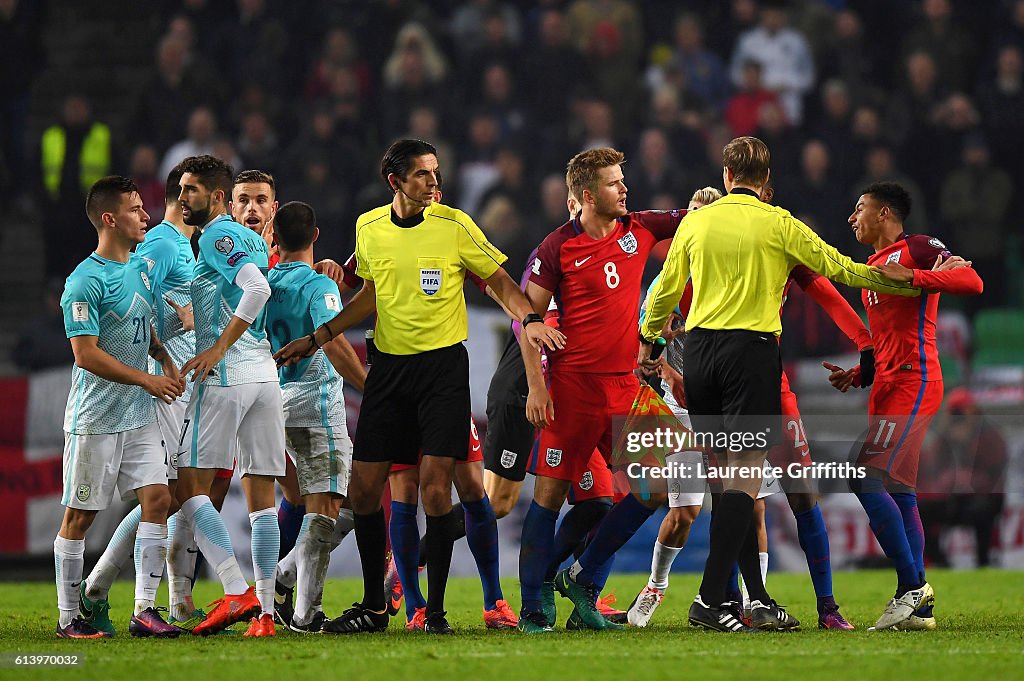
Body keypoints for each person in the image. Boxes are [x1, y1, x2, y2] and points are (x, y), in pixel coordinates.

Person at [275, 139, 564, 635]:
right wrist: (320, 336)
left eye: (435, 173)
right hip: (388, 372)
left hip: (442, 372)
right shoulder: (369, 227)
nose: (434, 182)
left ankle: (433, 612)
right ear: (396, 182)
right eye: (423, 175)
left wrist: (531, 317)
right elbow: (369, 293)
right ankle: (373, 606)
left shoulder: (453, 225)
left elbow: (498, 282)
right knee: (365, 491)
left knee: (436, 489)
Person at [639, 137, 919, 633]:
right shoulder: (780, 222)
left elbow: (662, 291)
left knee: (726, 480)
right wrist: (905, 280)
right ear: (765, 182)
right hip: (750, 354)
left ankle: (744, 601)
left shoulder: (696, 222)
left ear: (727, 176)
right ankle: (710, 598)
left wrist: (648, 343)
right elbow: (841, 269)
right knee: (745, 480)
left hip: (701, 356)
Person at [517, 147, 687, 633]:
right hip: (572, 390)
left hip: (626, 388)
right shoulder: (556, 248)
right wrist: (536, 387)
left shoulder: (643, 228)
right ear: (587, 196)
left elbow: (696, 218)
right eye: (614, 184)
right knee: (547, 499)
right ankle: (533, 607)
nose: (625, 190)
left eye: (623, 181)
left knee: (655, 488)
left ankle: (583, 578)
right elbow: (528, 322)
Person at [824, 181, 983, 631]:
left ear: (886, 213)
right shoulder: (872, 266)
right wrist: (858, 374)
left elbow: (971, 280)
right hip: (887, 385)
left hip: (916, 380)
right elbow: (887, 337)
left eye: (860, 209)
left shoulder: (916, 247)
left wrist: (916, 277)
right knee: (899, 491)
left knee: (864, 474)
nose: (853, 218)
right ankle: (918, 607)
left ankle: (911, 589)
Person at [77, 164, 204, 633]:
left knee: (167, 497)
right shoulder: (159, 244)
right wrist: (159, 364)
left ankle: (155, 606)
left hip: (180, 382)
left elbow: (151, 316)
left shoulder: (180, 246)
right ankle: (97, 588)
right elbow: (131, 319)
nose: (143, 215)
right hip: (151, 391)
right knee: (172, 496)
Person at [55, 175, 183, 639]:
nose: (145, 215)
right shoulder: (83, 281)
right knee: (80, 517)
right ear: (110, 219)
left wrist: (164, 357)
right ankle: (69, 618)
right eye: (135, 209)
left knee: (158, 498)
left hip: (138, 413)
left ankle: (144, 611)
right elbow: (85, 354)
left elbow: (144, 325)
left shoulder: (141, 270)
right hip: (96, 418)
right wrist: (149, 378)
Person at [171, 154, 284, 638]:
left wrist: (216, 347)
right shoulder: (250, 240)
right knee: (262, 501)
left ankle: (235, 588)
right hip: (264, 375)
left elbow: (256, 289)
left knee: (185, 486)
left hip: (227, 376)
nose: (182, 200)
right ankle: (264, 614)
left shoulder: (221, 234)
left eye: (190, 190)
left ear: (216, 197)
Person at [264, 201, 363, 633]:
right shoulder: (317, 284)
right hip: (317, 402)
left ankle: (284, 575)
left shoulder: (264, 283)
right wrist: (366, 383)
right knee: (326, 509)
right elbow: (335, 341)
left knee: (350, 498)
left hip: (277, 400)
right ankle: (306, 613)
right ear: (316, 236)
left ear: (274, 239)